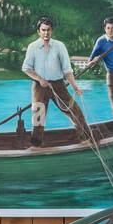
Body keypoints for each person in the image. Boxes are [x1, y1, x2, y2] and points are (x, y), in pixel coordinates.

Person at [20, 16, 91, 147]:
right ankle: (36, 145)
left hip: (58, 85)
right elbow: (26, 68)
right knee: (38, 116)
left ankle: (86, 139)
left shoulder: (59, 46)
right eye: (43, 30)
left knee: (74, 110)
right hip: (39, 86)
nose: (46, 33)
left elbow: (67, 69)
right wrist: (40, 79)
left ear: (52, 31)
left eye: (48, 30)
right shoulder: (32, 47)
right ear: (38, 31)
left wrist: (75, 87)